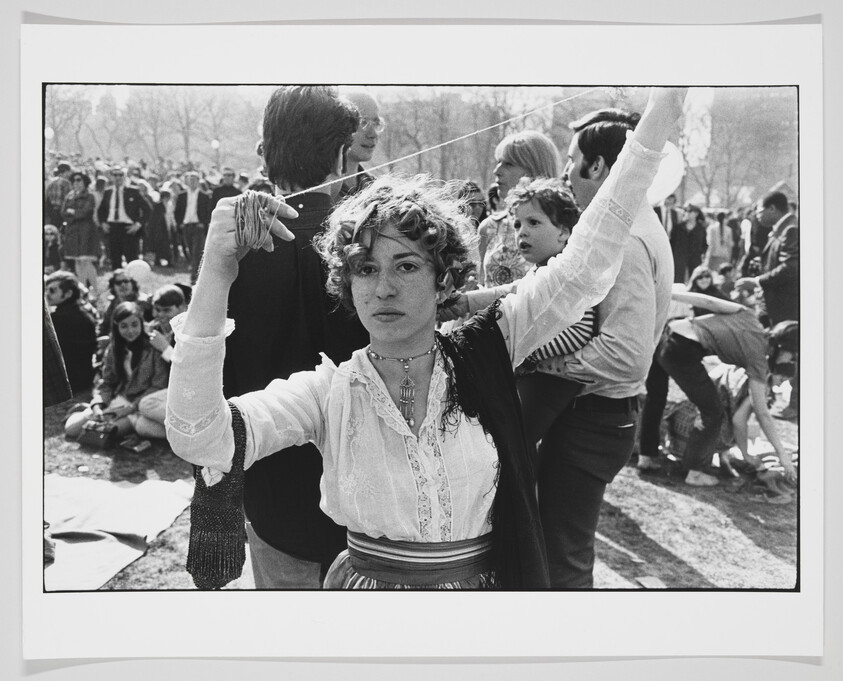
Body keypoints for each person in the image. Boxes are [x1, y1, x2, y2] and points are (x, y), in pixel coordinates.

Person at [166, 87, 686, 589]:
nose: (384, 289)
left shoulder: (485, 348)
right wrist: (215, 271)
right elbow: (200, 436)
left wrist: (665, 103)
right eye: (365, 270)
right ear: (347, 284)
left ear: (445, 280)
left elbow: (586, 262)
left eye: (407, 266)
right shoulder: (330, 389)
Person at [222, 86, 369, 589]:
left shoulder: (232, 254)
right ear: (342, 154)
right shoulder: (365, 253)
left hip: (278, 489)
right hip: (338, 495)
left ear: (267, 152)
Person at [442, 176, 596, 449]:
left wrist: (526, 349)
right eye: (517, 224)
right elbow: (511, 292)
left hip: (553, 381)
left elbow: (580, 331)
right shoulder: (541, 271)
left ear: (564, 231)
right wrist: (465, 302)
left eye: (533, 223)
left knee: (509, 439)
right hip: (535, 375)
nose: (521, 232)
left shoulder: (569, 274)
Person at [641, 289, 796, 487]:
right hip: (681, 350)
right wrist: (782, 455)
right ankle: (694, 472)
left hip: (667, 330)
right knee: (713, 412)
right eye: (793, 355)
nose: (791, 360)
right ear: (783, 348)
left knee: (656, 396)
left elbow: (708, 301)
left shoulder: (749, 316)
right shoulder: (758, 359)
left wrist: (667, 292)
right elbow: (763, 414)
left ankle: (646, 456)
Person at [65, 301, 169, 441]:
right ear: (116, 327)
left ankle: (133, 423)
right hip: (119, 400)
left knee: (108, 432)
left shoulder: (153, 348)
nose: (130, 331)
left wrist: (131, 408)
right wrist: (98, 404)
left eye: (134, 324)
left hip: (140, 404)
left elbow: (158, 385)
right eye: (124, 326)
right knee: (72, 429)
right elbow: (107, 383)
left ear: (141, 324)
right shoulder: (114, 349)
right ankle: (87, 409)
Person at [477, 131, 561, 287]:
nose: (497, 171)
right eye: (498, 162)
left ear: (534, 169)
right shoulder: (489, 228)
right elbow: (481, 285)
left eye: (508, 164)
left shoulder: (562, 226)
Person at [45, 271, 97, 396]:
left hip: (65, 383)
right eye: (46, 290)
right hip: (84, 380)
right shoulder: (86, 315)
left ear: (68, 293)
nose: (47, 294)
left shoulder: (55, 319)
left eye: (52, 290)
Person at [97, 166, 149, 269]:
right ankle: (118, 283)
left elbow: (148, 210)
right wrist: (103, 223)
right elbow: (101, 210)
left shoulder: (133, 191)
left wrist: (138, 225)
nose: (118, 177)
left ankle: (133, 283)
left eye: (120, 175)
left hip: (128, 228)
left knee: (132, 261)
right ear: (111, 177)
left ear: (124, 176)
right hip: (112, 228)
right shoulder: (108, 192)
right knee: (115, 261)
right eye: (115, 175)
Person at [60, 172, 100, 298]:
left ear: (85, 182)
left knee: (86, 261)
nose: (75, 183)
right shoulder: (69, 196)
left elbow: (86, 213)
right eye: (74, 180)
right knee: (77, 262)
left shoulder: (90, 196)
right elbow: (63, 212)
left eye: (79, 180)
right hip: (72, 232)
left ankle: (95, 289)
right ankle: (83, 291)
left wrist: (72, 212)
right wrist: (73, 214)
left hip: (86, 232)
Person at [338, 89, 383, 198]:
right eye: (363, 123)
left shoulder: (377, 191)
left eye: (376, 123)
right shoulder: (323, 192)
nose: (373, 134)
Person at [175, 171, 213, 284]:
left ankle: (194, 277)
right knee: (190, 251)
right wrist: (180, 223)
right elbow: (177, 211)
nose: (192, 182)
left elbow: (208, 212)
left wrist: (203, 223)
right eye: (190, 180)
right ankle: (196, 271)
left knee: (197, 252)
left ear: (198, 181)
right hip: (186, 226)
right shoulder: (182, 195)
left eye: (194, 180)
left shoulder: (204, 196)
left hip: (198, 226)